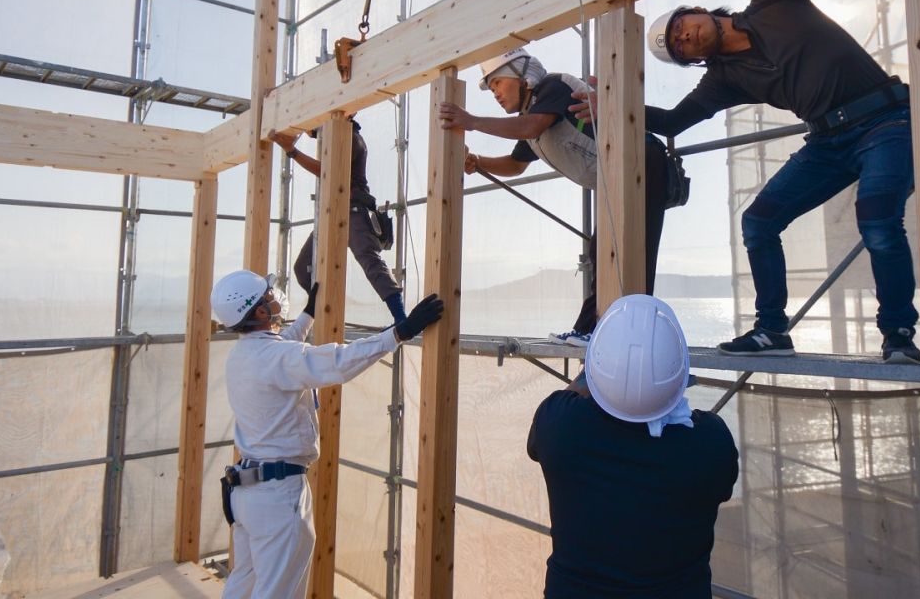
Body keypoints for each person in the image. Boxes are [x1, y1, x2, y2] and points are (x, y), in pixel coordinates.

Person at [572, 0, 920, 364]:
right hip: (828, 141)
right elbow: (676, 120)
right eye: (680, 47)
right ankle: (772, 330)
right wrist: (612, 101)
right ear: (692, 61)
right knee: (758, 221)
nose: (686, 38)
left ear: (697, 11)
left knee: (877, 219)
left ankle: (898, 335)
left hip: (887, 121)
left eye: (682, 27)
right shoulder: (724, 78)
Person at [212, 268, 442, 599]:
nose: (275, 299)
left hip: (247, 494)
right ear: (260, 312)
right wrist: (399, 332)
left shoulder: (244, 355)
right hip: (278, 496)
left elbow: (285, 348)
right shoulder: (277, 357)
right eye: (268, 297)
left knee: (243, 582)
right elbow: (338, 361)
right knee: (277, 592)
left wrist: (307, 314)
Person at [437, 47, 670, 347]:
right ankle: (597, 331)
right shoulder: (531, 116)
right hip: (618, 179)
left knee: (636, 256)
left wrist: (472, 122)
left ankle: (629, 339)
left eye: (497, 82)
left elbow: (531, 126)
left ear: (522, 75)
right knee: (605, 253)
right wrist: (479, 162)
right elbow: (516, 165)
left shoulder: (553, 87)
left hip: (643, 163)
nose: (494, 92)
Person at [527, 294, 739, 598]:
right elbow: (719, 477)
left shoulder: (560, 427)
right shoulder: (711, 444)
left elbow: (573, 396)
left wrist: (594, 370)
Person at [270, 118, 406, 324]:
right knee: (303, 267)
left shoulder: (351, 138)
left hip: (353, 208)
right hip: (331, 211)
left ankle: (400, 317)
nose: (310, 131)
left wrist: (292, 150)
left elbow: (329, 172)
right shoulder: (334, 139)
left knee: (368, 258)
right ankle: (324, 312)